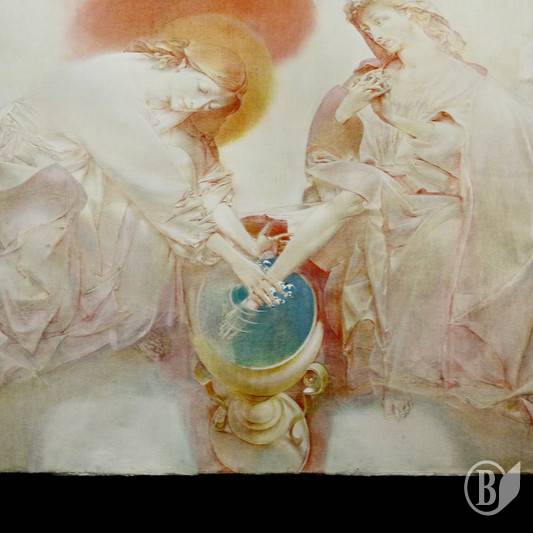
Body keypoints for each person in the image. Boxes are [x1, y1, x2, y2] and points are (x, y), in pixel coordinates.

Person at [258, 0, 533, 423]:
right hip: (385, 185)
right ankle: (276, 282)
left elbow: (456, 146)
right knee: (365, 194)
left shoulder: (466, 82)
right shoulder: (375, 75)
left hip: (440, 194)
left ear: (415, 15)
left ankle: (402, 371)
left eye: (382, 20)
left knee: (434, 237)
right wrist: (355, 105)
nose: (377, 34)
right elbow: (335, 135)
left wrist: (388, 116)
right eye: (369, 29)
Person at [0, 38, 280, 384]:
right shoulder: (116, 93)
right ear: (183, 64)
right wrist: (237, 261)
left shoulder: (171, 93)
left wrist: (247, 249)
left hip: (78, 172)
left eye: (211, 103)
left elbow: (199, 184)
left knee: (136, 233)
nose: (199, 104)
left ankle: (132, 322)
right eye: (202, 90)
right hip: (29, 168)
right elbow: (160, 191)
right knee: (40, 270)